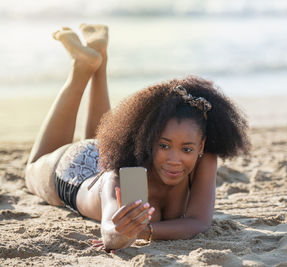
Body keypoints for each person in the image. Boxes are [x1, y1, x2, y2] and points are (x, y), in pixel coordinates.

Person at [24, 24, 250, 251]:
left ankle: (96, 59)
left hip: (103, 149)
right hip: (74, 172)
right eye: (164, 145)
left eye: (187, 149)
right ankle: (80, 69)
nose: (174, 159)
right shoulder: (125, 173)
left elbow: (199, 222)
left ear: (201, 145)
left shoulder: (205, 158)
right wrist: (122, 233)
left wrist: (144, 230)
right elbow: (111, 232)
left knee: (102, 134)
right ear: (148, 138)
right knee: (32, 168)